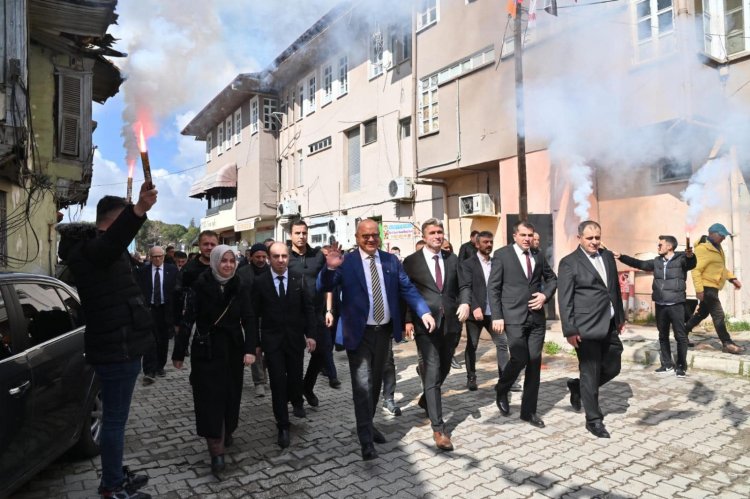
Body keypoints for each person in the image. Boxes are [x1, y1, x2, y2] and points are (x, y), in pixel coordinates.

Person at [57, 183, 156, 499]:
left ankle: (114, 475)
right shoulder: (95, 250)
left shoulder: (95, 249)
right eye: (124, 222)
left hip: (119, 346)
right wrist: (138, 210)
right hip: (118, 349)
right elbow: (111, 244)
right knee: (114, 422)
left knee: (116, 419)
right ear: (115, 223)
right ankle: (111, 487)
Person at [318, 219, 435, 460]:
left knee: (376, 383)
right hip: (358, 334)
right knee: (362, 385)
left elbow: (407, 288)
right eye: (365, 236)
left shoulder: (390, 260)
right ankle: (365, 440)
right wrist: (329, 268)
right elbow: (324, 286)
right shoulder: (346, 262)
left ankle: (368, 424)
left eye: (374, 235)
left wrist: (423, 311)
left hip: (383, 332)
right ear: (357, 237)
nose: (371, 239)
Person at [172, 245, 256, 475]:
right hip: (206, 350)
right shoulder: (200, 285)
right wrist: (179, 353)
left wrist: (250, 349)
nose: (228, 265)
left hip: (233, 350)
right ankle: (215, 450)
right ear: (214, 261)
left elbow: (249, 319)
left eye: (232, 260)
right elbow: (187, 319)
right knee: (209, 399)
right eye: (223, 261)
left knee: (230, 395)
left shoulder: (240, 285)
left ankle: (227, 428)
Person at [403, 218, 470, 451]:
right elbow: (406, 292)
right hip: (426, 326)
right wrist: (408, 320)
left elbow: (464, 286)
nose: (438, 236)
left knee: (444, 368)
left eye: (440, 232)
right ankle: (439, 430)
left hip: (451, 323)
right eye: (433, 232)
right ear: (424, 236)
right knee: (432, 371)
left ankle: (426, 399)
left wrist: (466, 303)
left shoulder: (453, 260)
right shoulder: (411, 262)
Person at [557, 220, 625, 439]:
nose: (595, 242)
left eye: (597, 237)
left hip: (610, 324)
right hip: (585, 328)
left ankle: (578, 388)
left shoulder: (606, 256)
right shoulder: (569, 263)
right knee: (590, 371)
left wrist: (620, 317)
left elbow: (613, 289)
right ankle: (594, 420)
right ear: (580, 238)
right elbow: (565, 299)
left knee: (614, 366)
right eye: (590, 238)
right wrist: (569, 330)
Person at [489, 221, 558, 428]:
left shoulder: (537, 255)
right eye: (523, 235)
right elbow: (493, 288)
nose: (527, 239)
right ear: (515, 236)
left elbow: (552, 279)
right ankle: (502, 388)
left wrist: (545, 295)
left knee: (534, 362)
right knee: (519, 358)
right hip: (513, 317)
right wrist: (497, 316)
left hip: (536, 318)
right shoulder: (502, 255)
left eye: (530, 235)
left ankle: (528, 412)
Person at [250, 242, 317, 448]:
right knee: (278, 383)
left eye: (284, 256)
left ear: (289, 258)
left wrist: (311, 335)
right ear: (269, 259)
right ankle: (283, 425)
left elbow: (308, 309)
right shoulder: (260, 282)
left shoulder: (298, 279)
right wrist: (256, 344)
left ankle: (296, 400)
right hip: (273, 343)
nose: (280, 260)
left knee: (295, 379)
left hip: (295, 341)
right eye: (276, 256)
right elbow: (253, 315)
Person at [615, 235, 696, 376]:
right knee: (662, 336)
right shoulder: (657, 261)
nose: (658, 247)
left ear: (669, 246)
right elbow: (639, 264)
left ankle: (681, 366)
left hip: (676, 304)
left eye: (660, 244)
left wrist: (691, 256)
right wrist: (622, 257)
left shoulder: (682, 260)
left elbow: (691, 263)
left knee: (680, 336)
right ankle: (667, 365)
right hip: (660, 304)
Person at [287, 220, 340, 406]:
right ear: (290, 235)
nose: (301, 236)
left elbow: (327, 285)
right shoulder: (284, 256)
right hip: (293, 315)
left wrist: (328, 310)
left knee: (323, 352)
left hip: (317, 313)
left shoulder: (318, 256)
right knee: (296, 358)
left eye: (304, 233)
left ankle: (307, 387)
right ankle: (295, 399)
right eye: (297, 233)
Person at [459, 231, 511, 391]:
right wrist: (474, 306)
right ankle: (471, 376)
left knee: (502, 343)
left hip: (494, 313)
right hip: (476, 313)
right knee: (472, 345)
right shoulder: (468, 264)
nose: (489, 245)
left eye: (491, 242)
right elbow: (466, 287)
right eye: (485, 242)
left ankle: (504, 378)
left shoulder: (497, 262)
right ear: (477, 244)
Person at [685, 223, 744, 354]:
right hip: (706, 288)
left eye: (724, 236)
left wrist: (733, 279)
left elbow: (721, 268)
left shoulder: (718, 248)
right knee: (718, 314)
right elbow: (696, 270)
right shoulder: (702, 249)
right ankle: (727, 343)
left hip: (713, 287)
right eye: (722, 235)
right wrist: (699, 290)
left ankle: (682, 333)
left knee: (702, 313)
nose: (724, 238)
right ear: (712, 234)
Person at [137, 246, 180, 385]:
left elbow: (176, 292)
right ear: (150, 257)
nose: (157, 259)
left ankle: (160, 366)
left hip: (165, 309)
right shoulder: (143, 271)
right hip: (149, 309)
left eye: (160, 256)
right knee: (149, 340)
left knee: (163, 339)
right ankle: (149, 370)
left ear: (163, 256)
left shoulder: (172, 270)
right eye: (154, 256)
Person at [238, 243, 271, 397]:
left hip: (270, 316)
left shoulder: (272, 272)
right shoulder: (242, 273)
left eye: (264, 257)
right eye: (257, 256)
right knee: (255, 348)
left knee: (269, 348)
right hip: (250, 317)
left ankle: (264, 374)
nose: (261, 259)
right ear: (251, 256)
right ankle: (259, 382)